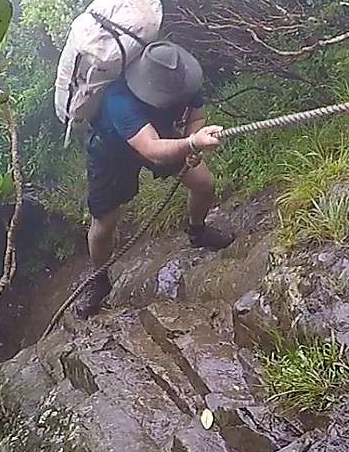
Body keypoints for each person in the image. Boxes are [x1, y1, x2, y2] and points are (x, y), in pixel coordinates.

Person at [76, 41, 235, 318]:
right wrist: (191, 143)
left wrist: (192, 141)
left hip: (159, 135)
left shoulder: (184, 77)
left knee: (203, 184)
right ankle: (99, 279)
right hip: (110, 152)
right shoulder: (119, 100)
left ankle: (197, 231)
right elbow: (152, 150)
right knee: (104, 223)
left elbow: (197, 114)